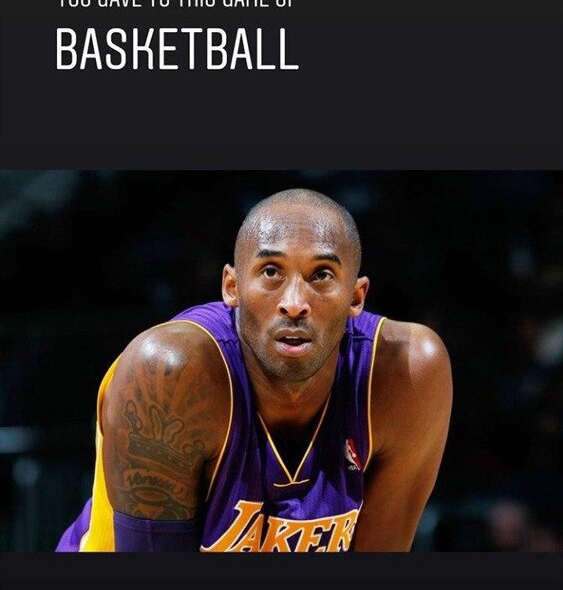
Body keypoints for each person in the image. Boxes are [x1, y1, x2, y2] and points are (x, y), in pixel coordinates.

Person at [56, 188, 452, 553]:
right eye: (271, 272)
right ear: (232, 287)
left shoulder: (408, 373)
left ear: (356, 296)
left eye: (321, 275)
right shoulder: (169, 372)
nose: (294, 302)